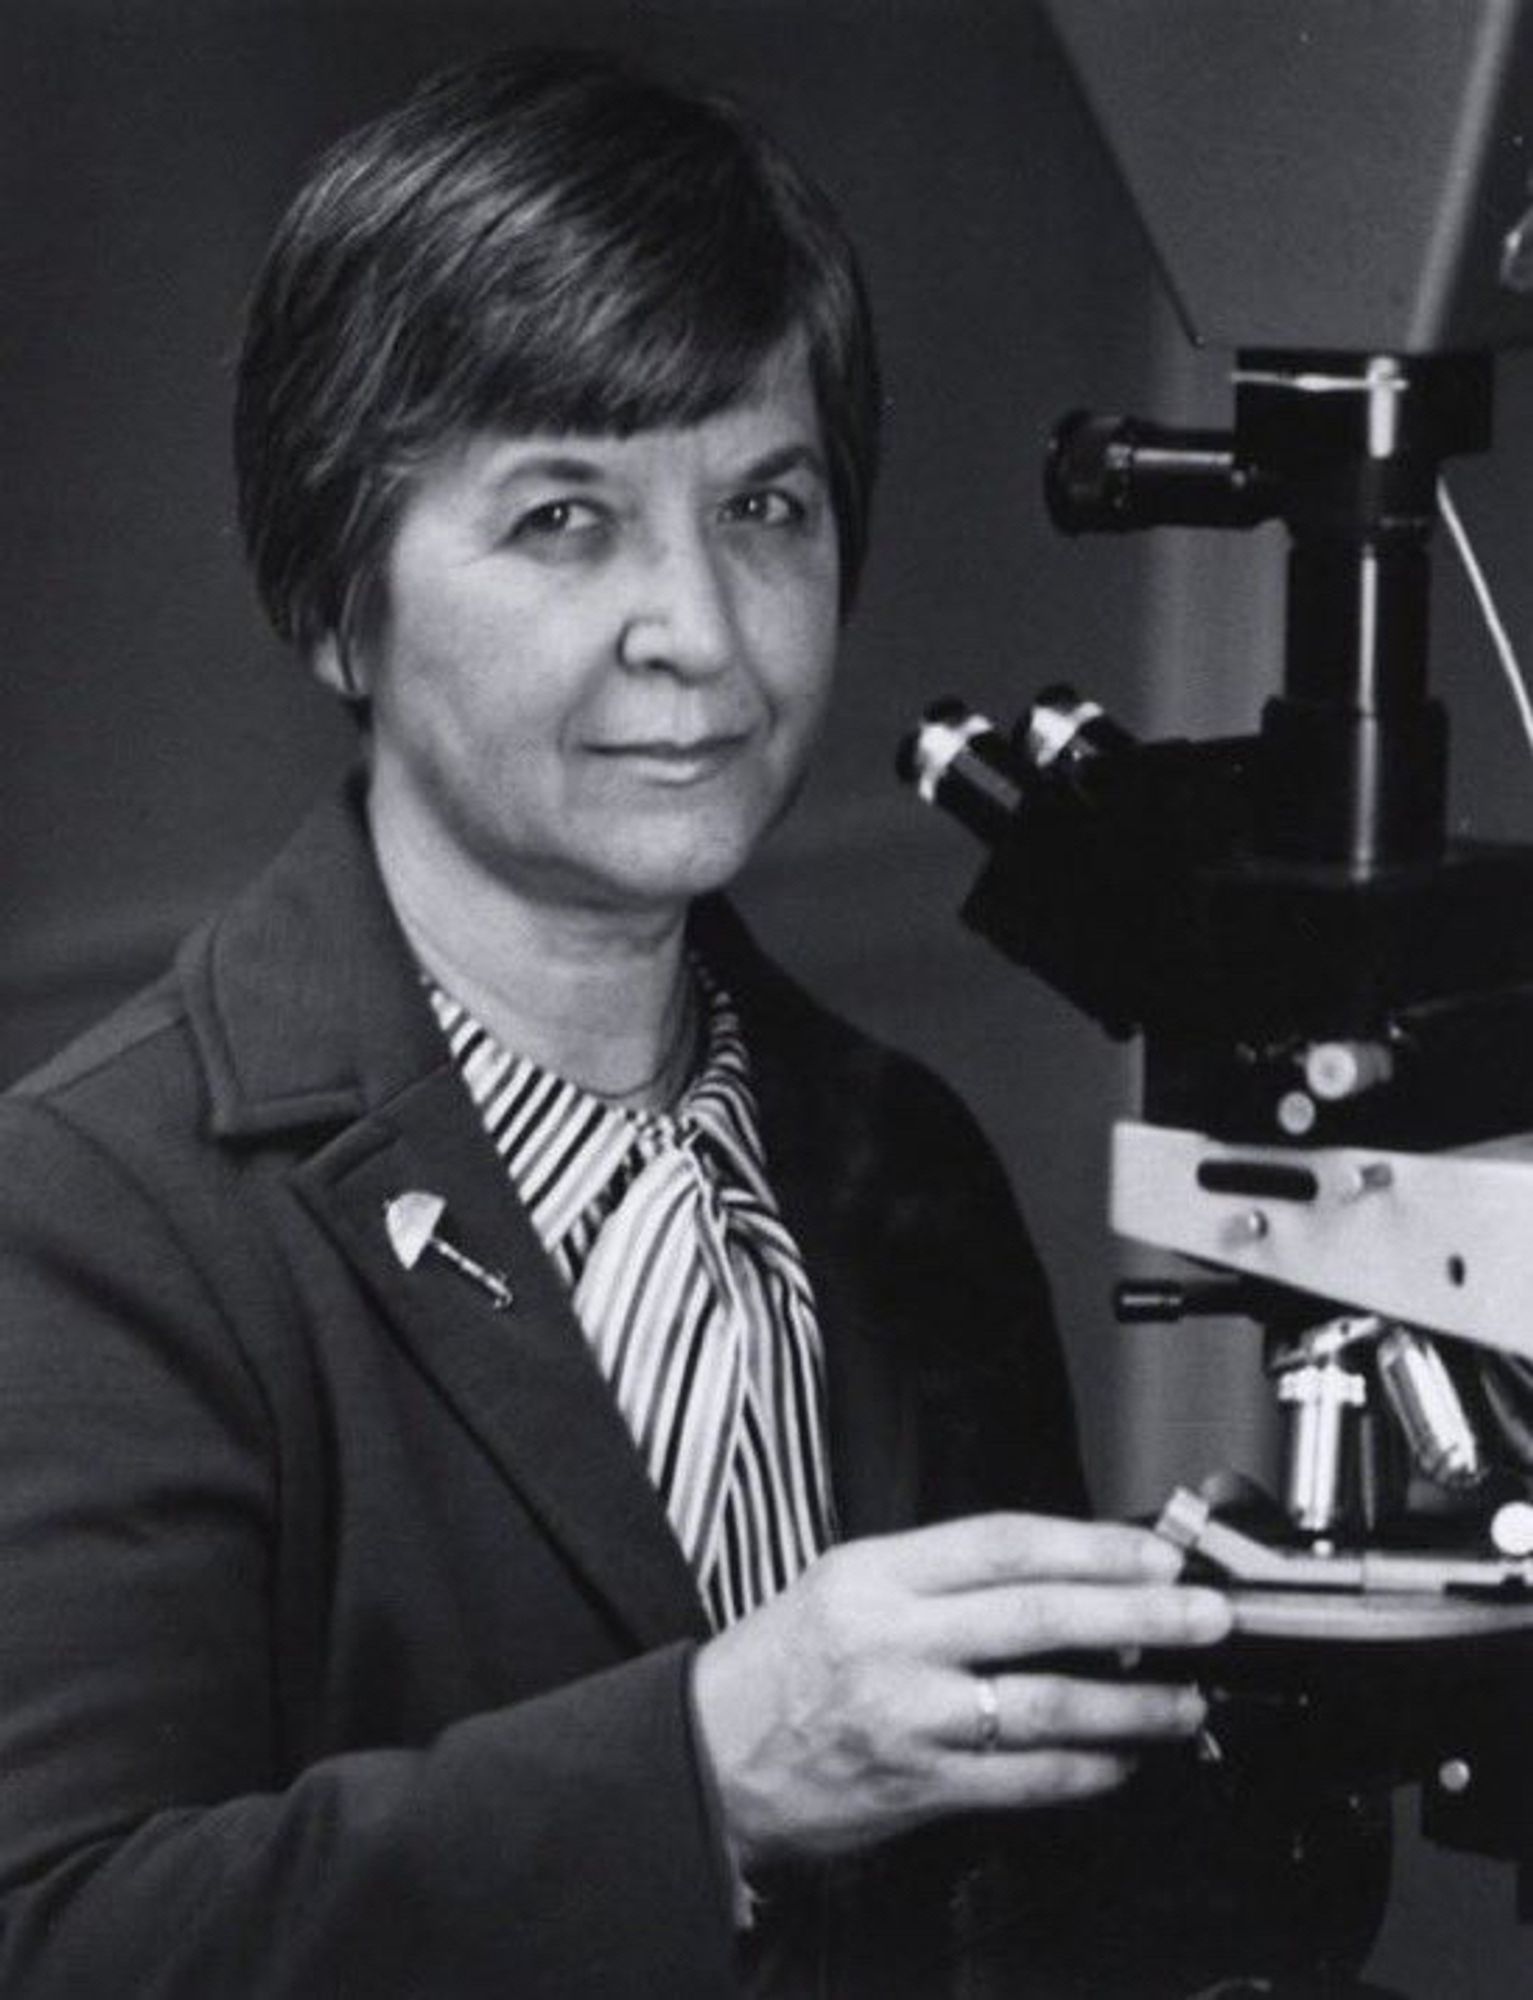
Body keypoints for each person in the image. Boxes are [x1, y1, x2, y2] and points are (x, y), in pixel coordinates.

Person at [0, 46, 1269, 1998]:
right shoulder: (99, 1216)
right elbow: (64, 1935)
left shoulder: (896, 1154)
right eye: (564, 519)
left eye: (762, 501)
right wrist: (705, 1771)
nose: (697, 623)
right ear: (337, 599)